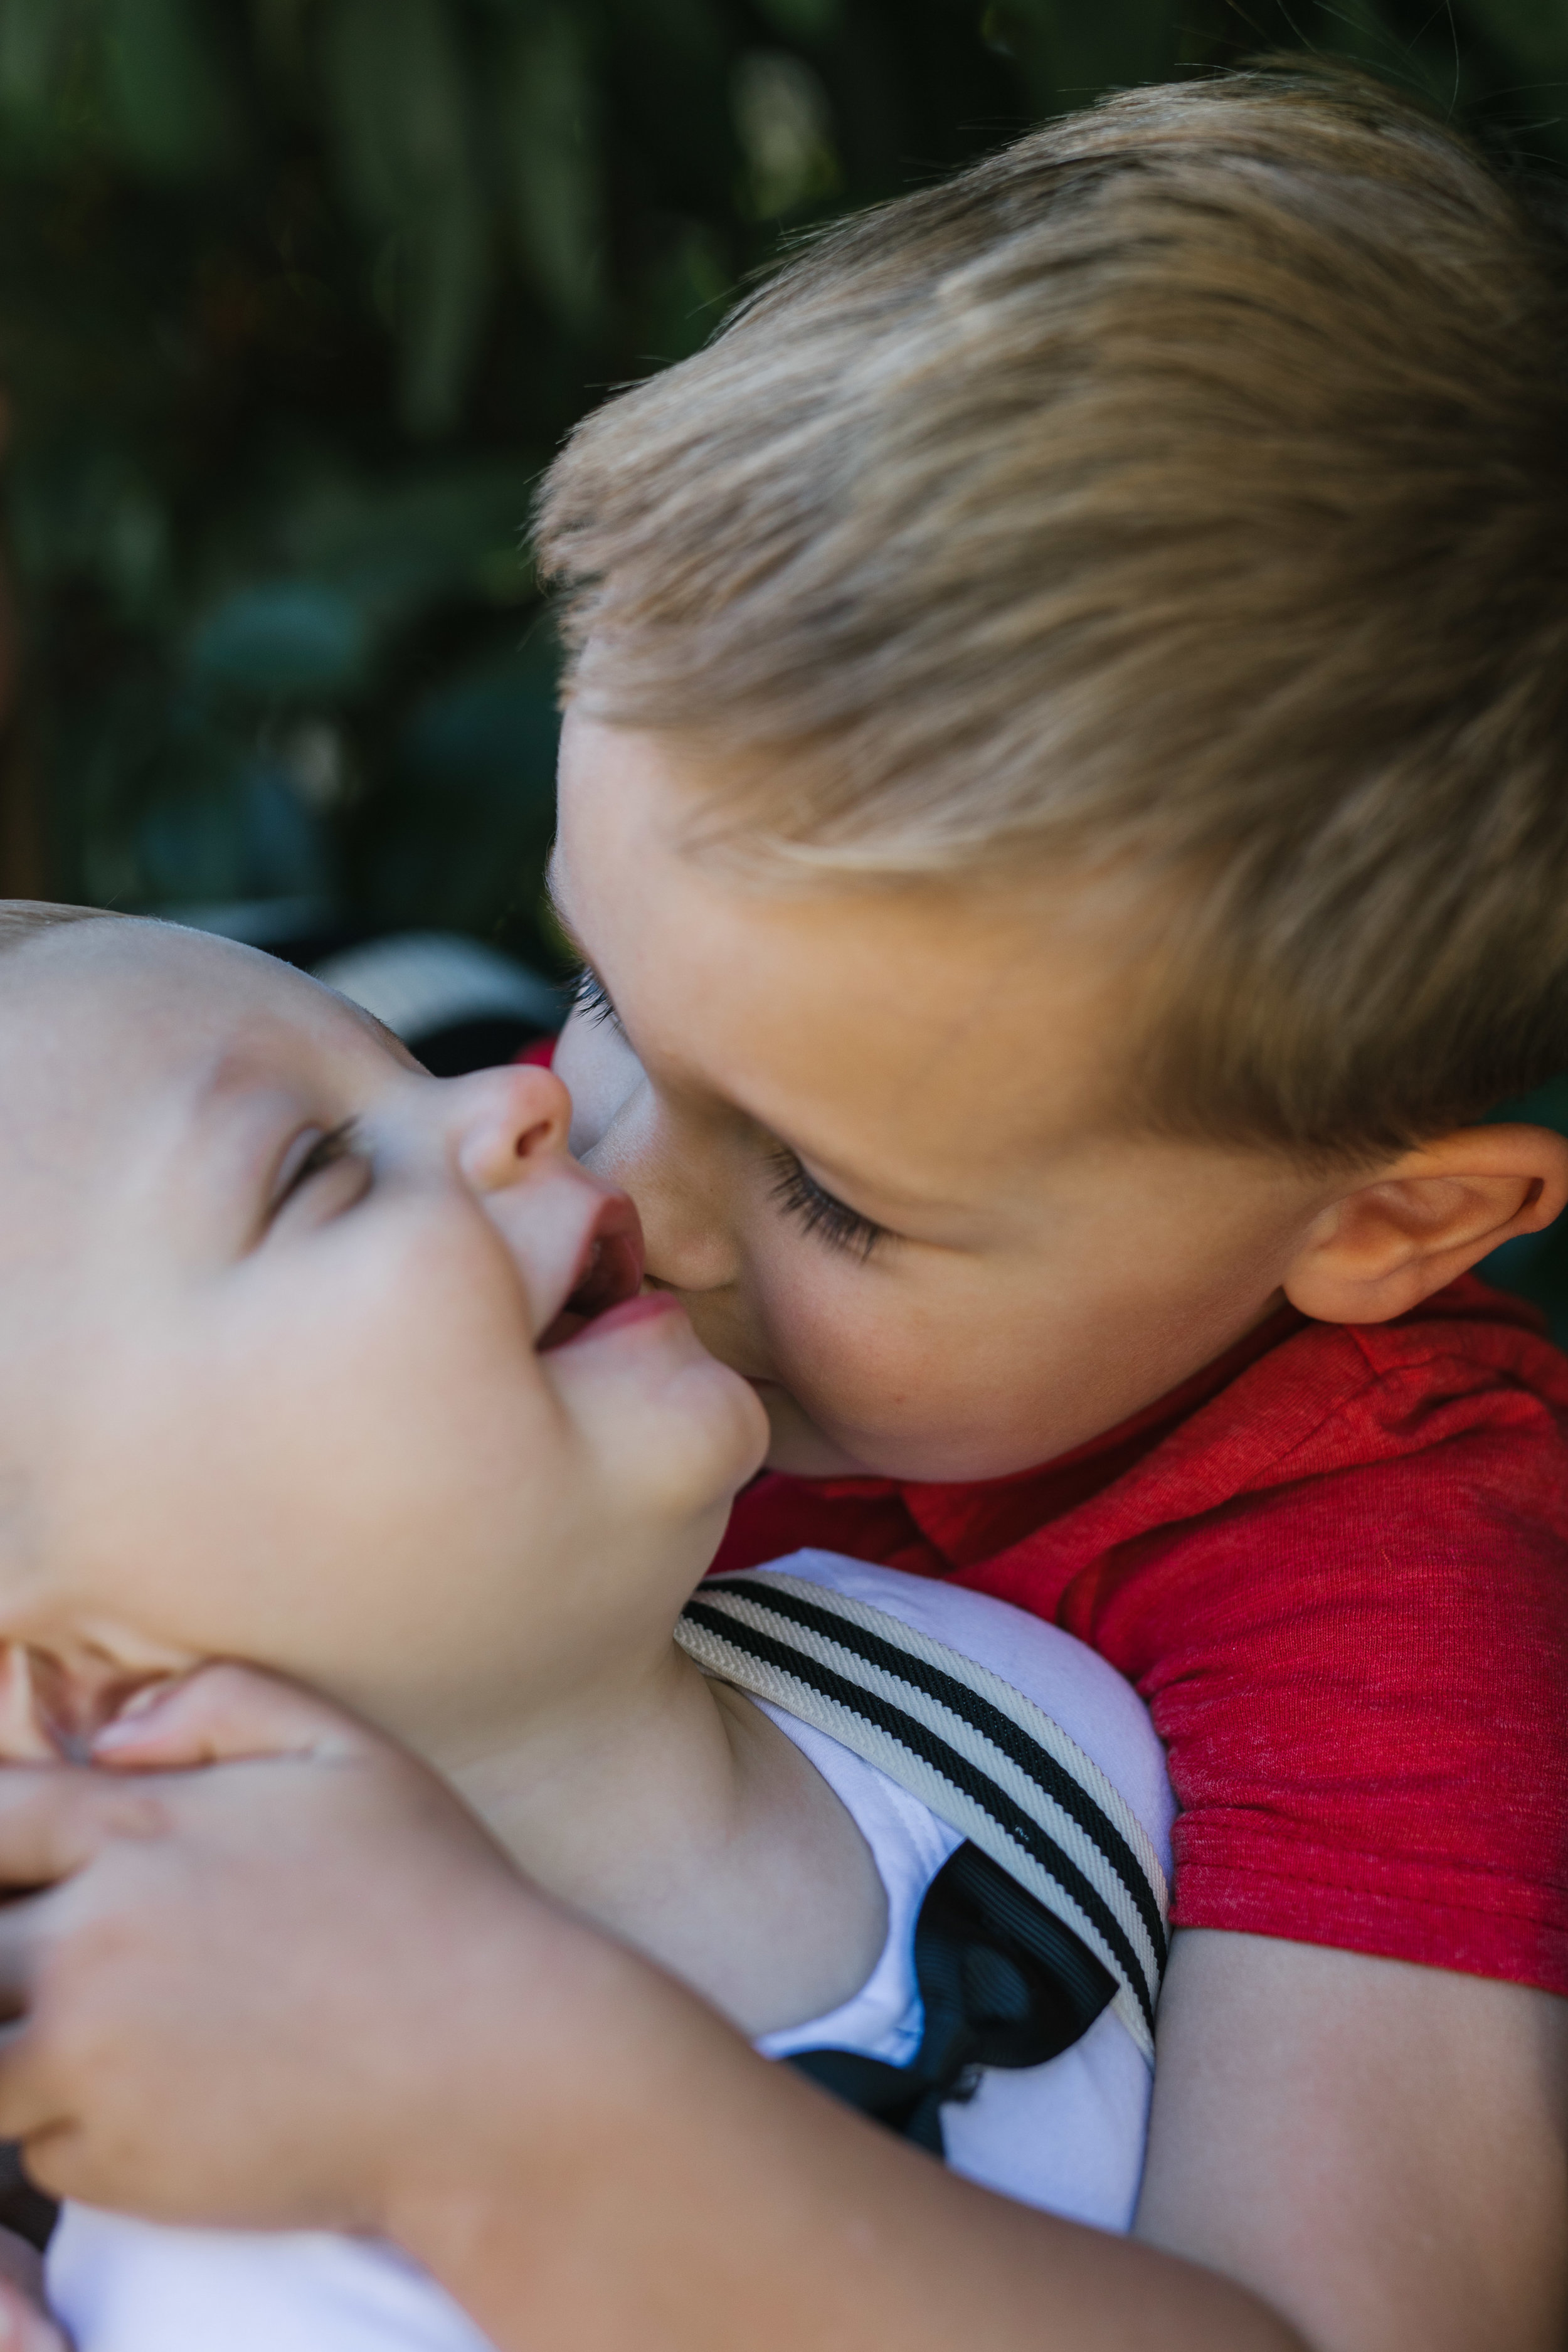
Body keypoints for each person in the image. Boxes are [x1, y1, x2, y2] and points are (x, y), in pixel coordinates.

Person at [0, 55, 1560, 2352]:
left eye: (835, 1190)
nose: (590, 1154)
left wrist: (508, 2108)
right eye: (602, 996)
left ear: (1386, 1228)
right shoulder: (537, 1249)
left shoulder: (1374, 1589)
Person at [0, 903, 1177, 2351]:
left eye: (410, 1073)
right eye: (316, 1170)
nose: (521, 1092)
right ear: (79, 1690)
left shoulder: (1012, 1705)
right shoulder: (259, 2284)